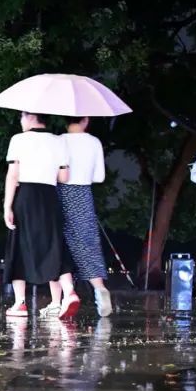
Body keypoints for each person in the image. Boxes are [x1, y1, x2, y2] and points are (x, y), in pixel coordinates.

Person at [2, 111, 80, 319]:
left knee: (19, 245)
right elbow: (64, 177)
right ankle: (69, 292)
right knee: (54, 244)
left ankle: (20, 304)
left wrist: (7, 206)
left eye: (22, 116)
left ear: (30, 116)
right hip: (49, 197)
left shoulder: (18, 140)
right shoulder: (60, 141)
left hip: (26, 195)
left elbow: (13, 175)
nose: (21, 121)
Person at [59, 116, 112, 317]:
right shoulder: (94, 142)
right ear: (86, 120)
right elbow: (99, 177)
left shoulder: (59, 141)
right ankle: (100, 288)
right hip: (83, 194)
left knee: (61, 245)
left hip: (61, 193)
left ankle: (66, 294)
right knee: (87, 244)